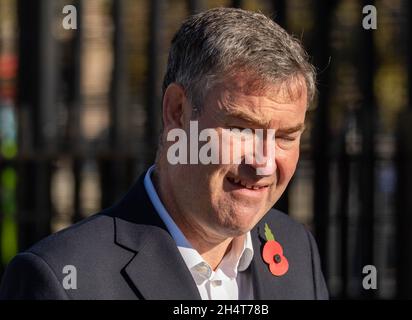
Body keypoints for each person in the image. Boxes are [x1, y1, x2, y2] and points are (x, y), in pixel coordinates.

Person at [0, 7, 328, 300]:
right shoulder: (61, 278)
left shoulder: (296, 248)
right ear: (176, 112)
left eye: (286, 136)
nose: (264, 164)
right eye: (242, 129)